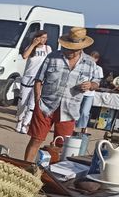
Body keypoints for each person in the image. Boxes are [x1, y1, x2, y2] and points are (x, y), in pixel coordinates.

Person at [23, 28, 100, 163]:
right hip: (45, 106)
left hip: (69, 109)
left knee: (61, 145)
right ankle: (25, 168)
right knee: (36, 139)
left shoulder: (89, 63)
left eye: (72, 49)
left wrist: (90, 85)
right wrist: (37, 100)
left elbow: (97, 82)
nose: (68, 52)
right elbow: (38, 80)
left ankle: (52, 174)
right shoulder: (52, 57)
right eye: (67, 48)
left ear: (80, 49)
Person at [15, 30, 51, 134]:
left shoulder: (47, 49)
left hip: (39, 79)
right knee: (22, 102)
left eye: (45, 38)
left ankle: (25, 124)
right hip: (28, 77)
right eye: (42, 37)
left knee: (33, 103)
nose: (44, 40)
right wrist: (33, 44)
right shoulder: (30, 47)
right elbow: (24, 56)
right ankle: (19, 120)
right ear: (37, 37)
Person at [76, 50, 103, 132]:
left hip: (89, 94)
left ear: (97, 59)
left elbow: (98, 81)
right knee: (76, 111)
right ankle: (73, 127)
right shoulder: (83, 65)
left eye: (94, 58)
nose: (91, 59)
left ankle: (83, 128)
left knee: (85, 112)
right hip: (79, 92)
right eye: (90, 57)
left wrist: (91, 85)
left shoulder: (98, 69)